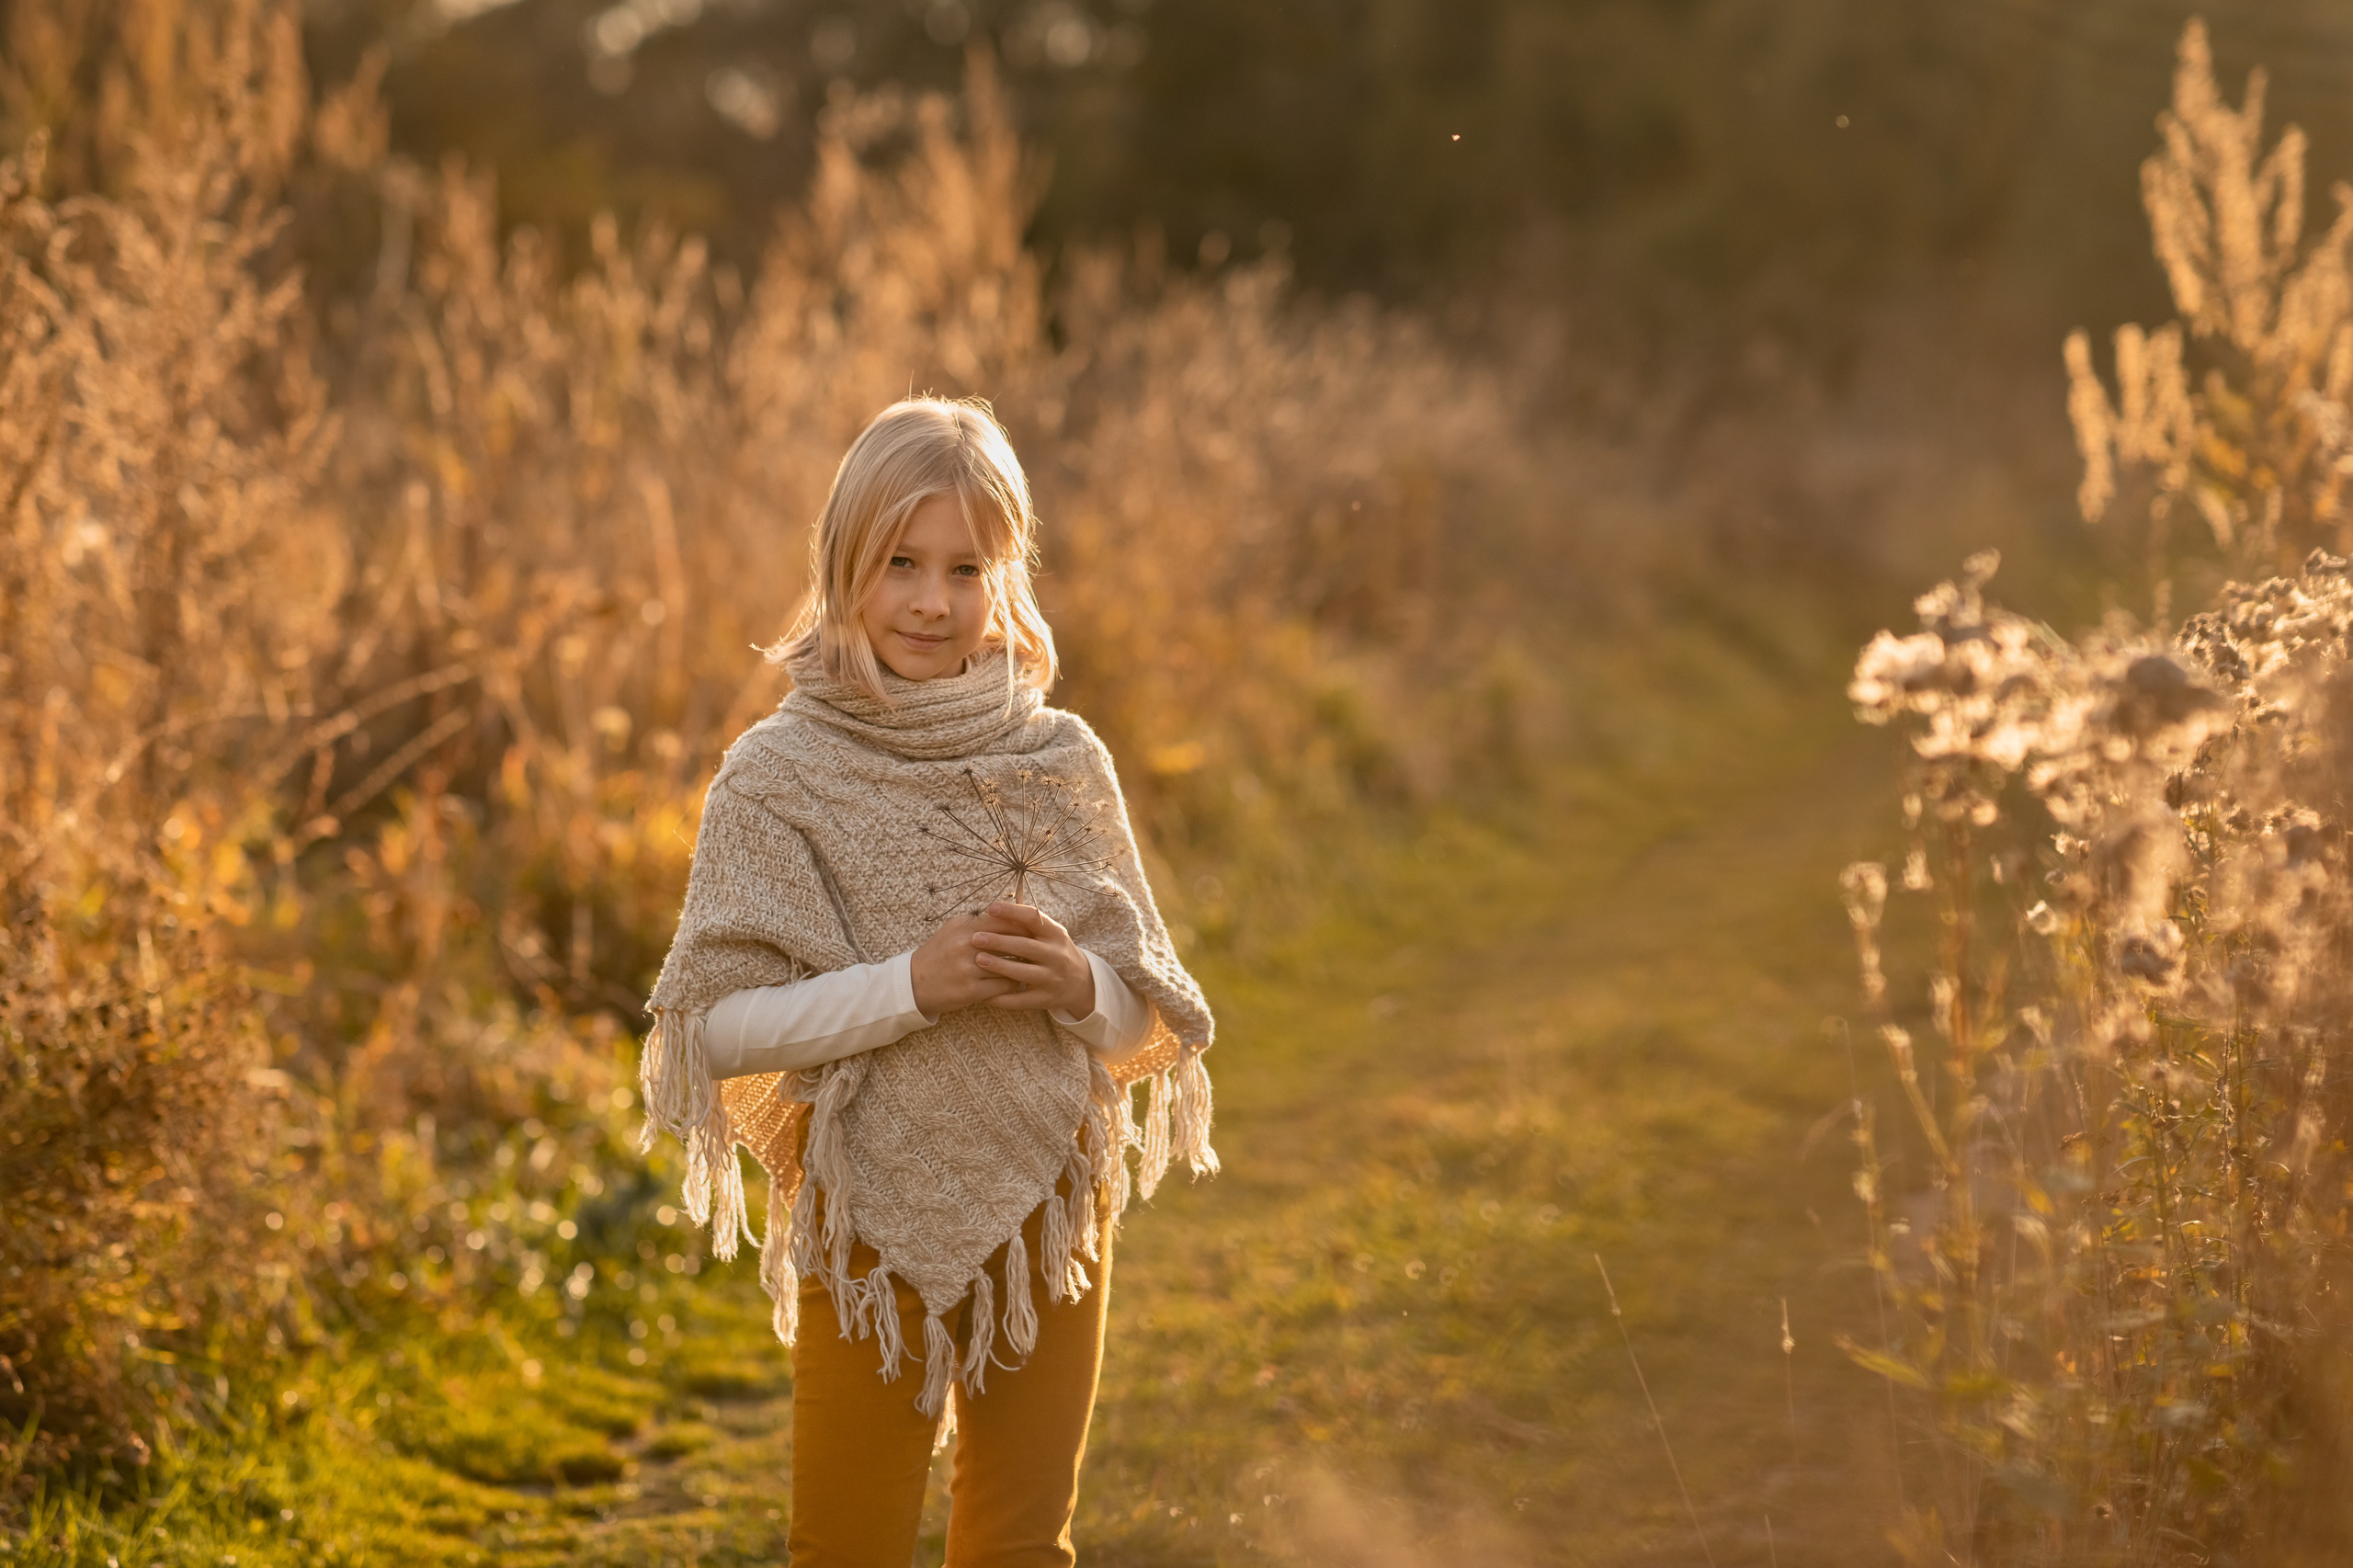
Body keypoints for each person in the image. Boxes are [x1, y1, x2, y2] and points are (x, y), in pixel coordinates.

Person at [639, 396, 1219, 1568]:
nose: (930, 600)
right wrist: (912, 981)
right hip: (867, 1224)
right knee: (844, 1545)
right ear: (843, 561)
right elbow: (712, 1030)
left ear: (1005, 576)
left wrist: (1075, 984)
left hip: (1048, 1207)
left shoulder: (1057, 759)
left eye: (966, 567)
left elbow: (1138, 1019)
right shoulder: (777, 775)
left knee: (1020, 1546)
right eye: (900, 562)